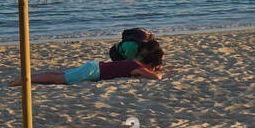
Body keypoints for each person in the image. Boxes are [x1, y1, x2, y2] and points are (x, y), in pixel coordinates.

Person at [13, 43, 165, 85]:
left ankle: (27, 78)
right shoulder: (137, 67)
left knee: (59, 75)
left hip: (94, 66)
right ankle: (25, 80)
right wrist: (157, 72)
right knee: (58, 79)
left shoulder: (135, 63)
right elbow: (155, 78)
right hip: (93, 72)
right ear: (150, 64)